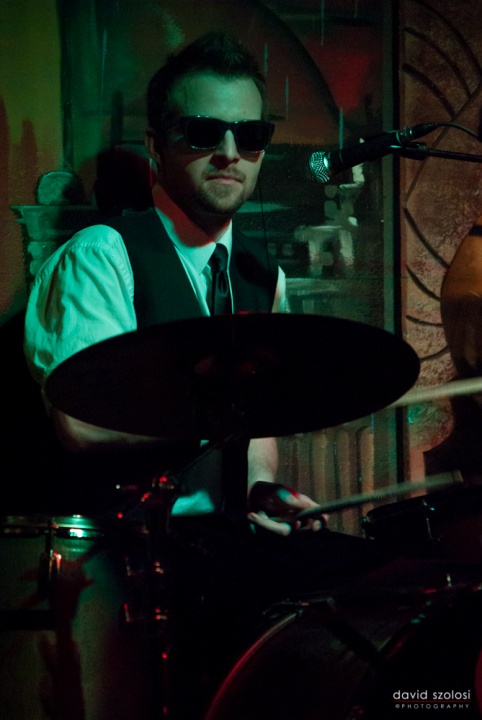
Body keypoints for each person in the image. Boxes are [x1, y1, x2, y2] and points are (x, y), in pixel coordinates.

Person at [24, 32, 385, 719]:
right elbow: (81, 422)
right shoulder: (103, 255)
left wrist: (261, 490)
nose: (229, 152)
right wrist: (214, 421)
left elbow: (259, 423)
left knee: (393, 585)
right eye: (202, 132)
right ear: (157, 146)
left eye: (249, 134)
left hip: (223, 548)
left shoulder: (260, 274)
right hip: (127, 552)